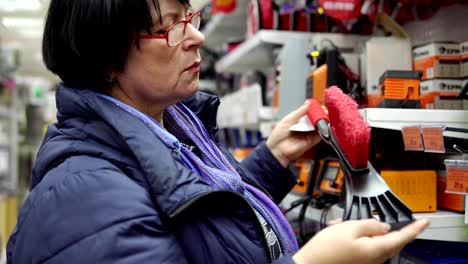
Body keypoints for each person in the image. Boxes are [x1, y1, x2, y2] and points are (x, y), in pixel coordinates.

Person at [7, 0, 429, 263]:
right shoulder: (87, 197)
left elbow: (194, 224)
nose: (196, 35)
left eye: (188, 16)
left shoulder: (172, 128)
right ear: (106, 58)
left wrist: (272, 160)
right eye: (170, 26)